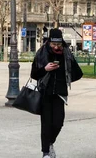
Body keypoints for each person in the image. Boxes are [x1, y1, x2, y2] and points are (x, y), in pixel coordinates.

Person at [31, 28, 83, 158]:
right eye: (53, 44)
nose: (56, 47)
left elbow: (78, 73)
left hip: (60, 93)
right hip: (45, 93)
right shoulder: (41, 53)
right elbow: (34, 74)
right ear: (49, 42)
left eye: (58, 44)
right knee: (46, 124)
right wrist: (45, 69)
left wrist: (67, 75)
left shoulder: (66, 54)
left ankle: (49, 143)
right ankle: (46, 153)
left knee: (58, 122)